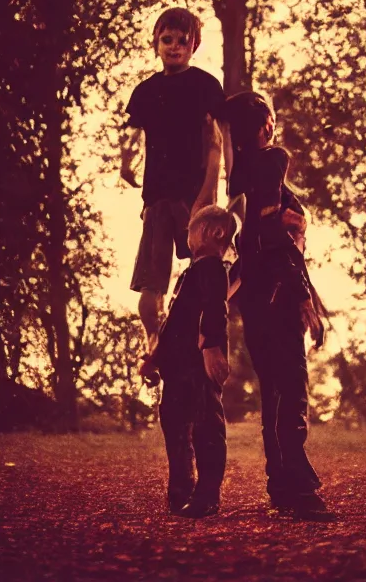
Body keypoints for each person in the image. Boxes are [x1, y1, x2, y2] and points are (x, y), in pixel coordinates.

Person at [221, 91, 333, 522]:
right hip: (277, 292)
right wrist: (302, 293)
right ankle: (298, 490)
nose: (272, 126)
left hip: (254, 296)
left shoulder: (236, 177)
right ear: (265, 124)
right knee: (290, 387)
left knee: (276, 390)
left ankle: (282, 485)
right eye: (268, 118)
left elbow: (261, 235)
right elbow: (272, 236)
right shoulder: (270, 162)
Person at [121, 8, 225, 353]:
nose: (175, 47)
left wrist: (208, 192)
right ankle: (155, 342)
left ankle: (205, 337)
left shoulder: (205, 86)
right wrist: (126, 162)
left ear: (195, 45)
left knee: (209, 266)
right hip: (157, 197)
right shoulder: (146, 92)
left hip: (192, 194)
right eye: (167, 39)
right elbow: (131, 133)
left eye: (183, 40)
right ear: (156, 43)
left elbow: (215, 143)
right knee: (151, 286)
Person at [140, 203, 239, 518]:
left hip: (198, 366)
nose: (187, 235)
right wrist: (155, 359)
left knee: (206, 427)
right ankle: (181, 491)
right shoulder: (190, 274)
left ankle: (207, 495)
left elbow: (215, 308)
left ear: (214, 232)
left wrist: (211, 346)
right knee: (175, 426)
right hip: (176, 368)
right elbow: (173, 322)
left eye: (192, 230)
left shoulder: (212, 269)